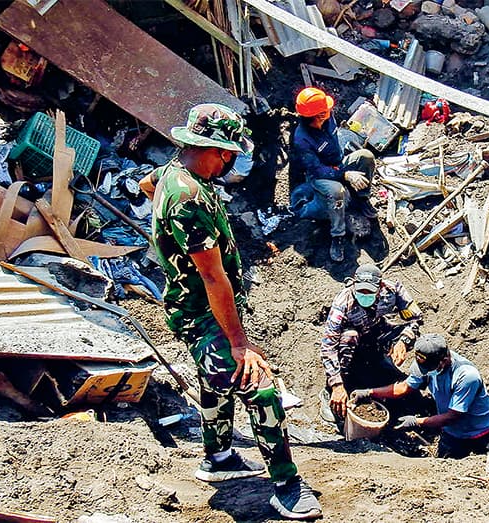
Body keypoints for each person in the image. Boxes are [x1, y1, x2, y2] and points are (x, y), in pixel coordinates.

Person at [140, 103, 321, 521]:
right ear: (219, 151)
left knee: (215, 381)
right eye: (232, 154)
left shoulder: (171, 173)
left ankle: (218, 457)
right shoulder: (188, 199)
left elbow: (148, 187)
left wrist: (167, 243)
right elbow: (212, 276)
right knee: (258, 386)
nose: (233, 162)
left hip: (193, 305)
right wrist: (240, 344)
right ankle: (286, 485)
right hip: (202, 311)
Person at [349, 334, 489, 459]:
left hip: (483, 431)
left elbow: (452, 416)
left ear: (444, 359)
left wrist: (417, 422)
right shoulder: (426, 366)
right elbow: (404, 388)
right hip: (453, 434)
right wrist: (369, 392)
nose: (425, 372)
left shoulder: (466, 376)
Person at [319, 264, 422, 421]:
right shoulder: (343, 302)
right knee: (349, 336)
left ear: (380, 287)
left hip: (376, 334)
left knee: (411, 335)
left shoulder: (393, 290)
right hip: (352, 341)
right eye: (361, 291)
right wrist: (336, 384)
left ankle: (380, 363)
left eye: (370, 292)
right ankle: (338, 386)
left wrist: (403, 341)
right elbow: (328, 345)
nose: (365, 295)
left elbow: (416, 319)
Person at [289, 87, 377, 262]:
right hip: (318, 176)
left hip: (337, 164)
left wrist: (344, 169)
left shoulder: (329, 120)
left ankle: (361, 199)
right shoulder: (302, 139)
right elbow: (316, 170)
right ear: (318, 115)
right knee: (337, 192)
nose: (330, 110)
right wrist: (345, 176)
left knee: (366, 157)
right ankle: (337, 236)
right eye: (326, 109)